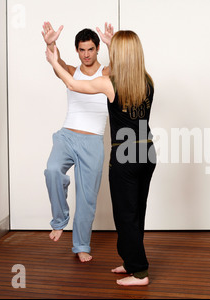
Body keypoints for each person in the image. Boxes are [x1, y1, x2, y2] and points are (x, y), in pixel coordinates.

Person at [46, 29, 156, 286]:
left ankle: (140, 272)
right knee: (136, 212)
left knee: (125, 215)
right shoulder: (147, 80)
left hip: (126, 155)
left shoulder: (111, 83)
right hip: (146, 151)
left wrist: (53, 62)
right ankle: (131, 263)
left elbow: (72, 84)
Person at [41, 22, 113, 262]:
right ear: (77, 50)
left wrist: (112, 45)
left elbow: (120, 67)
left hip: (92, 141)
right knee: (52, 170)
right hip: (68, 136)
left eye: (91, 49)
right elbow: (56, 64)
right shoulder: (71, 72)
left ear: (97, 49)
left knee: (86, 199)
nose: (86, 54)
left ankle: (81, 245)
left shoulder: (105, 73)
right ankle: (59, 220)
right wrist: (51, 43)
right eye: (82, 50)